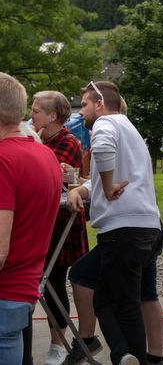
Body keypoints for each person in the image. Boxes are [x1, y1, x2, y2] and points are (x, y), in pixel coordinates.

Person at [61, 96, 163, 365]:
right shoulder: (128, 128)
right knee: (103, 291)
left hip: (125, 231)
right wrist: (86, 189)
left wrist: (106, 188)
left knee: (127, 302)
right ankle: (124, 355)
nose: (81, 110)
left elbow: (104, 151)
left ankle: (136, 358)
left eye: (84, 104)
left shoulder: (106, 122)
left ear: (99, 104)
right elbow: (99, 178)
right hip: (145, 228)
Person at [0, 73, 61, 363]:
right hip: (26, 288)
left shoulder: (3, 159)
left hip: (5, 289)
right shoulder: (46, 155)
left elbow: (0, 248)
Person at [27, 91, 90, 365]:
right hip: (34, 223)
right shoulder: (38, 139)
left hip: (59, 226)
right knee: (28, 283)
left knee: (53, 282)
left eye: (36, 110)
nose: (30, 115)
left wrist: (32, 142)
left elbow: (39, 170)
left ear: (52, 117)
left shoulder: (69, 142)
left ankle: (57, 345)